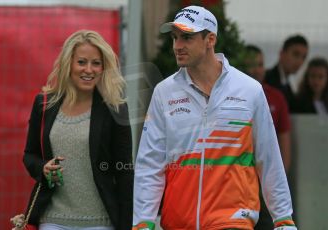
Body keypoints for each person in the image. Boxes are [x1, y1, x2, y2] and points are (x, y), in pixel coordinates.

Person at [133, 5, 297, 230]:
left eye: (187, 38)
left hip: (233, 221)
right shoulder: (164, 92)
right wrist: (143, 221)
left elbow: (269, 158)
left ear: (210, 40)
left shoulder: (249, 90)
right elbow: (150, 162)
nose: (177, 46)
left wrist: (283, 219)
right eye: (175, 38)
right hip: (178, 223)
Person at [23, 30, 133, 230]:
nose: (89, 70)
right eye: (81, 62)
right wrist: (43, 169)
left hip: (100, 223)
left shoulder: (116, 109)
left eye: (96, 63)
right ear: (69, 64)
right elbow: (30, 155)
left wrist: (127, 225)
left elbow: (125, 171)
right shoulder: (44, 104)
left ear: (104, 68)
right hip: (52, 219)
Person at [244, 45, 292, 230]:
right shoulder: (235, 96)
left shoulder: (276, 97)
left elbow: (284, 142)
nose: (257, 69)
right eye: (251, 64)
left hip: (265, 182)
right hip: (240, 181)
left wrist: (277, 179)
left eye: (261, 64)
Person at [265, 34, 309, 113]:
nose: (300, 61)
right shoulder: (267, 80)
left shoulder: (287, 85)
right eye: (296, 54)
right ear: (282, 54)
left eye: (303, 57)